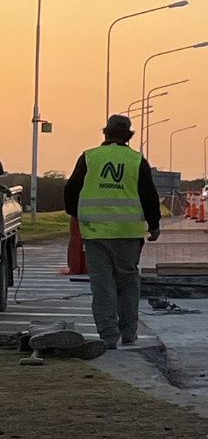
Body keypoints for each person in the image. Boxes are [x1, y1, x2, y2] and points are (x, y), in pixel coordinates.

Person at [63, 114, 161, 349]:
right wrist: (154, 224)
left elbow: (70, 192)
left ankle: (108, 335)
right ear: (129, 135)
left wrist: (79, 216)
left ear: (105, 133)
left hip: (96, 233)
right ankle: (128, 332)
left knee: (102, 284)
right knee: (128, 282)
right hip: (128, 233)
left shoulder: (89, 157)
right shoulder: (136, 160)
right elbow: (149, 195)